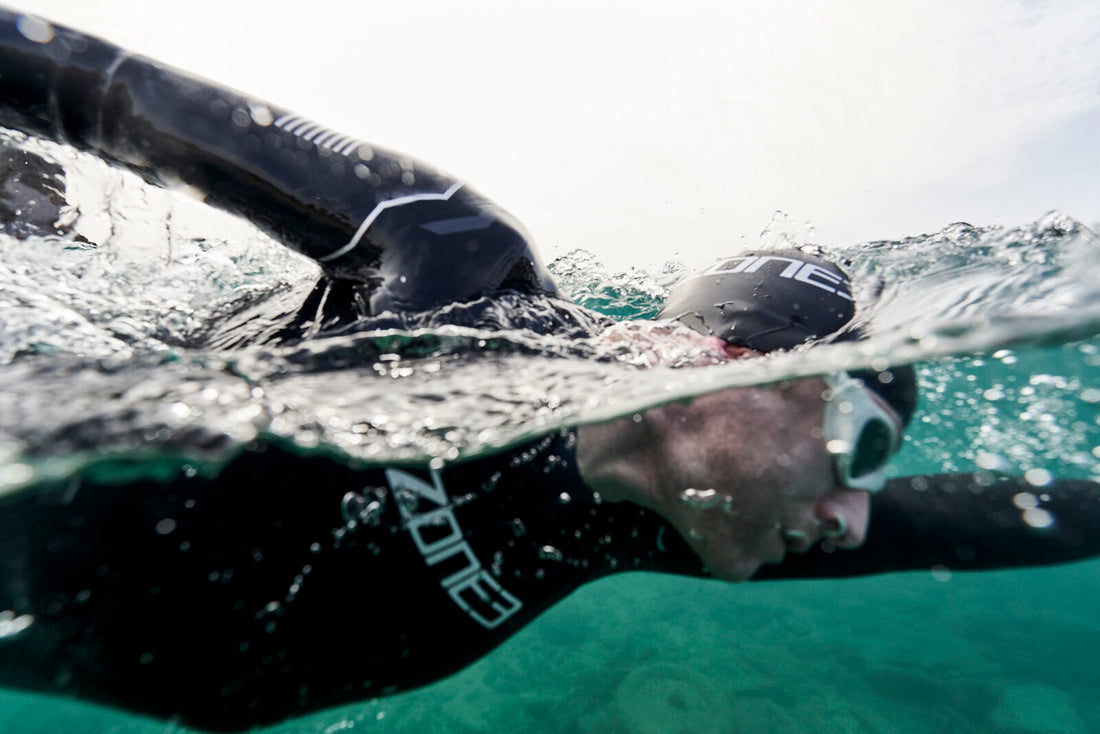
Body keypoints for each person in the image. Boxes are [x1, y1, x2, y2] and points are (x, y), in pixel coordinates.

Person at [0, 9, 1098, 731]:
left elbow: (976, 518)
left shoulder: (667, 517)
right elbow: (112, 94)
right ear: (721, 367)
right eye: (860, 441)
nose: (852, 518)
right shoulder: (457, 270)